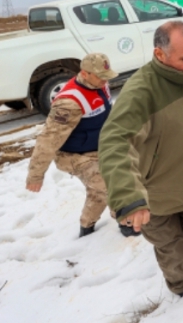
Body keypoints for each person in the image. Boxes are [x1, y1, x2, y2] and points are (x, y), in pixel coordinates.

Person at [99, 21, 183, 298]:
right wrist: (129, 198)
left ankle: (170, 245)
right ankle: (181, 284)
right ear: (160, 55)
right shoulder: (142, 91)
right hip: (154, 191)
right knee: (171, 245)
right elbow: (115, 141)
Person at [25, 53, 136, 237]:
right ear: (85, 74)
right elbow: (48, 140)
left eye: (106, 76)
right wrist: (35, 175)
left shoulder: (99, 83)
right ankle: (129, 225)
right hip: (75, 156)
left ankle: (87, 227)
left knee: (98, 192)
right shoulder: (69, 103)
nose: (105, 81)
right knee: (113, 187)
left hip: (100, 147)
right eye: (100, 76)